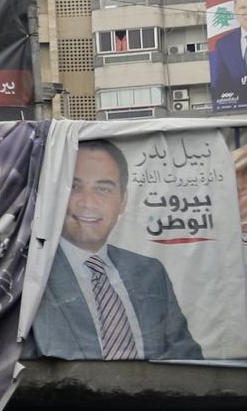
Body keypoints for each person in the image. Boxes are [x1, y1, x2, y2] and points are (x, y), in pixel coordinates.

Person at [31, 140, 202, 361]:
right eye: (74, 187)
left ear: (122, 201)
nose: (88, 203)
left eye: (103, 189)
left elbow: (186, 355)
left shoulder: (150, 272)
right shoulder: (31, 274)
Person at [209, 0, 247, 105]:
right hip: (236, 108)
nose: (246, 12)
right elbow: (219, 83)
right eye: (243, 7)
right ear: (235, 11)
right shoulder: (224, 44)